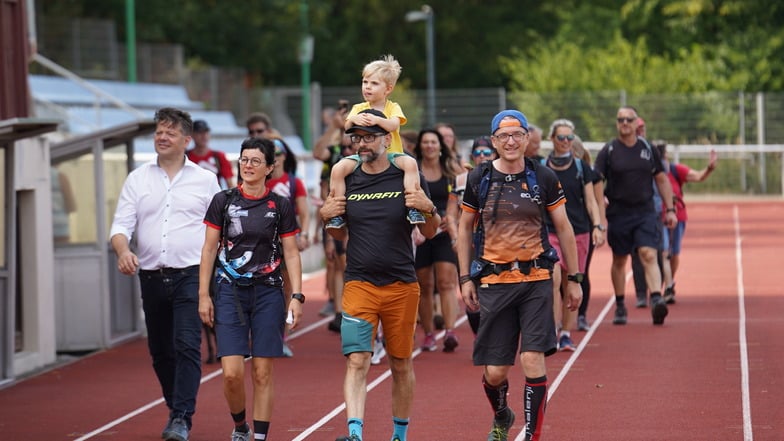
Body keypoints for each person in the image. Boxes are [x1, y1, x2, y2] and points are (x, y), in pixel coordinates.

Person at [456, 110, 582, 441]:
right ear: (494, 140)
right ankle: (502, 414)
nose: (510, 141)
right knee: (496, 372)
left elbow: (565, 228)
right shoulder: (477, 178)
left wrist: (575, 279)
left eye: (517, 135)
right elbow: (463, 228)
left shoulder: (544, 177)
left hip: (537, 279)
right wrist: (464, 278)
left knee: (531, 359)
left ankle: (532, 437)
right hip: (494, 283)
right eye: (503, 136)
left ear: (527, 139)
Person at [320, 112, 441, 441]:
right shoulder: (348, 175)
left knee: (401, 364)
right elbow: (341, 233)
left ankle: (399, 435)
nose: (362, 143)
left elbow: (429, 231)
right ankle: (355, 433)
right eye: (356, 137)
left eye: (369, 137)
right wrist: (328, 218)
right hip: (359, 283)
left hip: (402, 284)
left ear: (387, 140)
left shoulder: (404, 172)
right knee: (357, 360)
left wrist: (429, 207)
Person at [110, 107, 221, 441]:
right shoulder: (137, 179)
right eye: (159, 131)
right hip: (151, 277)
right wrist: (123, 250)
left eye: (170, 132)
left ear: (186, 140)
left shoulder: (205, 180)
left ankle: (181, 417)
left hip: (190, 274)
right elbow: (120, 226)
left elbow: (218, 230)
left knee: (188, 344)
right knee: (160, 351)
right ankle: (178, 408)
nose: (162, 137)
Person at [198, 137, 304, 441]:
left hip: (268, 291)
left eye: (256, 161)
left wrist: (296, 296)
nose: (248, 166)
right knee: (231, 373)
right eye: (244, 160)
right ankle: (240, 425)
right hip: (229, 290)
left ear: (270, 167)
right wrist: (203, 295)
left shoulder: (280, 205)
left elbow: (292, 252)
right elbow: (208, 249)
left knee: (261, 371)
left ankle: (259, 436)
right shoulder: (224, 201)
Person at [593, 106, 677, 326]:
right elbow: (596, 180)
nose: (624, 123)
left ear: (636, 121)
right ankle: (620, 305)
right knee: (620, 260)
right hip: (619, 213)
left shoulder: (648, 149)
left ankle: (657, 299)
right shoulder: (609, 150)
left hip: (645, 211)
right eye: (620, 119)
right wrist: (599, 201)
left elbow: (661, 179)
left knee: (649, 253)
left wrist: (670, 209)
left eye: (628, 119)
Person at [326, 55, 424, 229]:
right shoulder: (359, 108)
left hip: (392, 154)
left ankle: (413, 207)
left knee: (410, 164)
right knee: (338, 168)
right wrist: (354, 118)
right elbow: (347, 125)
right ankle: (338, 212)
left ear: (388, 89)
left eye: (374, 83)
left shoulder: (392, 107)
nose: (367, 87)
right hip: (364, 154)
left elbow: (394, 125)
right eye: (365, 82)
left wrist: (377, 120)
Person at [542, 119, 604, 351]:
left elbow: (591, 201)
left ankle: (566, 333)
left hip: (578, 231)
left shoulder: (581, 168)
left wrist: (598, 225)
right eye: (561, 138)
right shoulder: (542, 166)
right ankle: (553, 329)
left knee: (572, 282)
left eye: (570, 138)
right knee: (552, 277)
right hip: (549, 230)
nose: (566, 142)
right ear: (552, 139)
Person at [413, 129, 461, 352]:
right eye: (426, 142)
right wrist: (414, 227)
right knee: (424, 285)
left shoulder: (451, 170)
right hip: (421, 234)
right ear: (420, 146)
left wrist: (454, 221)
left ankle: (450, 332)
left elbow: (463, 200)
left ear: (440, 145)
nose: (430, 146)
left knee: (446, 281)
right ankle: (429, 333)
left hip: (443, 232)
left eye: (433, 142)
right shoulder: (412, 170)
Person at [654, 140, 718, 303]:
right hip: (658, 217)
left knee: (674, 253)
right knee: (663, 253)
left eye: (663, 155)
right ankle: (667, 287)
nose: (663, 159)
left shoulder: (676, 170)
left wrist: (709, 168)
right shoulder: (649, 172)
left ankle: (669, 281)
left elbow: (697, 176)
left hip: (678, 216)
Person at [265, 136, 310, 357]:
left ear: (284, 156)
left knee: (285, 290)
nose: (276, 158)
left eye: (279, 154)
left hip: (285, 241)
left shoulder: (294, 182)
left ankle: (282, 337)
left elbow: (304, 211)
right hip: (261, 242)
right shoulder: (259, 181)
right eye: (272, 154)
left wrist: (305, 234)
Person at [448, 136, 497, 336]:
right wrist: (454, 238)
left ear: (494, 155)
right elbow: (451, 214)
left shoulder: (502, 177)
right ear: (472, 156)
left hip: (494, 244)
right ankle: (480, 336)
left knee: (492, 292)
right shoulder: (460, 180)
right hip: (468, 243)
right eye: (478, 153)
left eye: (487, 153)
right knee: (470, 291)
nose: (483, 156)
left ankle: (492, 337)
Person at [313, 100, 353, 324]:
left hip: (356, 210)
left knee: (346, 261)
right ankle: (338, 309)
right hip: (335, 209)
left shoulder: (361, 152)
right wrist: (333, 127)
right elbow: (318, 152)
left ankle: (348, 305)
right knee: (336, 260)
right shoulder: (336, 151)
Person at [570, 135, 605, 332]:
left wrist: (599, 226)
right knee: (558, 275)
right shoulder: (553, 170)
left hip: (584, 228)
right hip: (558, 229)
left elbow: (598, 202)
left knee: (581, 273)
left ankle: (581, 315)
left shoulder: (589, 173)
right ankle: (561, 317)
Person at [186, 119, 236, 189]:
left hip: (214, 198)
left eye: (206, 132)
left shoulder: (219, 156)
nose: (204, 136)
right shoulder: (185, 157)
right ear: (192, 135)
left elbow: (230, 185)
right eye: (199, 132)